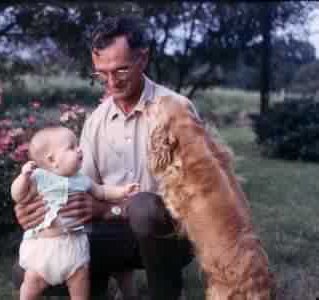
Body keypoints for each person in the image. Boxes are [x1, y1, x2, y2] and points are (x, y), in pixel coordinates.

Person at [13, 16, 199, 300]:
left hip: (171, 235)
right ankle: (98, 286)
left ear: (143, 58)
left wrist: (113, 209)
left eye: (121, 69)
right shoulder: (96, 121)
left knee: (144, 207)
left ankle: (167, 293)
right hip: (114, 235)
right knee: (27, 271)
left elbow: (196, 197)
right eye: (102, 73)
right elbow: (82, 190)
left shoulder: (176, 109)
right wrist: (33, 209)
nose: (111, 82)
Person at [11, 126, 140, 300]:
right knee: (32, 283)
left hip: (74, 245)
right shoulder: (39, 177)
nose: (79, 149)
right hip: (43, 248)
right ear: (52, 160)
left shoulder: (82, 179)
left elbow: (102, 191)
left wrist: (123, 191)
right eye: (71, 147)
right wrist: (23, 177)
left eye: (77, 144)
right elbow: (17, 195)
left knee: (80, 280)